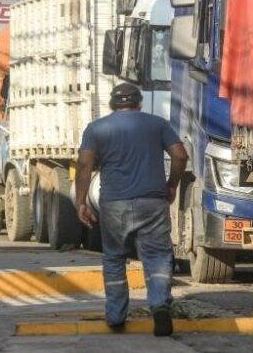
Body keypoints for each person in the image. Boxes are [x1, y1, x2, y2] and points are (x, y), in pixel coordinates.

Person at [75, 83, 188, 337]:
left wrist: (81, 201)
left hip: (114, 204)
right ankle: (159, 306)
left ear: (112, 105)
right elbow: (180, 155)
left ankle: (116, 316)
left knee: (114, 258)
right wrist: (171, 185)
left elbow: (84, 165)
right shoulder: (157, 125)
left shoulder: (96, 129)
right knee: (157, 257)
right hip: (153, 202)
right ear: (139, 103)